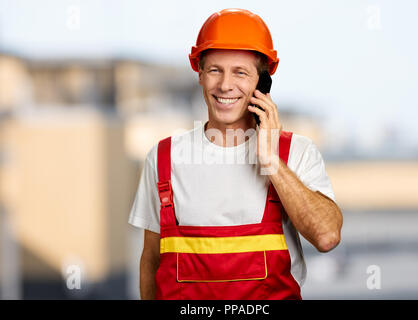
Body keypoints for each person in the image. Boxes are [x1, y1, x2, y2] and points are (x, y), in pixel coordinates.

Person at [128, 8, 343, 300]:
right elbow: (151, 260)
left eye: (240, 72)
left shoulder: (296, 153)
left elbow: (327, 237)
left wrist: (271, 161)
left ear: (262, 84)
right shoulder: (164, 158)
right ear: (200, 75)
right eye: (215, 69)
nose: (225, 84)